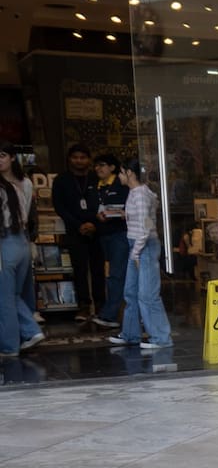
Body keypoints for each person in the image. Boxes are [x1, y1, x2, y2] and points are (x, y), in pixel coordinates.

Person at [106, 158, 172, 350]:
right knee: (131, 292)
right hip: (137, 245)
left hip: (143, 246)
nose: (118, 176)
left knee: (147, 294)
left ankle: (161, 338)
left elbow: (145, 227)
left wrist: (135, 253)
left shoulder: (140, 194)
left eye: (120, 172)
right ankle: (130, 334)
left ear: (130, 174)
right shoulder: (136, 193)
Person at [0, 143, 44, 356]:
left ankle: (10, 345)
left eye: (2, 155)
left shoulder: (19, 184)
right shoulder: (16, 188)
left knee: (5, 298)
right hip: (20, 243)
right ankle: (30, 331)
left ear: (13, 158)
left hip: (8, 243)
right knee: (14, 295)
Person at [50, 144, 102, 322]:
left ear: (89, 160)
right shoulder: (61, 180)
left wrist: (93, 223)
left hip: (97, 229)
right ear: (69, 159)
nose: (79, 161)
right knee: (79, 269)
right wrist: (78, 225)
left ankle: (101, 304)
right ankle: (84, 305)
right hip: (74, 230)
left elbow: (105, 202)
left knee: (98, 269)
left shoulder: (96, 178)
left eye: (83, 157)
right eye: (75, 157)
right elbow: (59, 207)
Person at [91, 153, 129, 329]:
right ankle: (110, 311)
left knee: (116, 274)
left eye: (103, 165)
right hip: (102, 234)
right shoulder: (95, 186)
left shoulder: (121, 185)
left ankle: (110, 314)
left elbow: (128, 209)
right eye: (97, 165)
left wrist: (113, 214)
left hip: (119, 234)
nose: (99, 168)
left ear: (113, 167)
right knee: (108, 274)